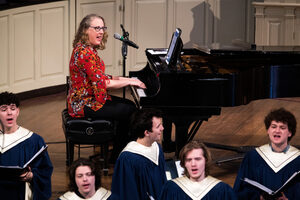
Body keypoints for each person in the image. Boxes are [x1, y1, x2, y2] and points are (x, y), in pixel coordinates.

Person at [67, 14, 146, 159]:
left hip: (88, 99)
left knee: (128, 106)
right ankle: (120, 155)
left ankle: (118, 151)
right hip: (83, 103)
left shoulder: (87, 49)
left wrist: (125, 78)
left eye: (103, 28)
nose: (101, 31)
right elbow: (103, 83)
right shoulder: (85, 53)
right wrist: (130, 82)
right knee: (129, 110)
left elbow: (100, 77)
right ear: (85, 30)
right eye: (97, 28)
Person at [233, 107, 300, 200]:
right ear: (268, 131)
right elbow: (239, 190)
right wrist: (259, 197)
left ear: (289, 133)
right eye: (273, 126)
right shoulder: (253, 157)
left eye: (282, 127)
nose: (277, 130)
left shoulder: (298, 159)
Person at [0, 91, 53, 200]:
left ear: (18, 112)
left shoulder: (34, 141)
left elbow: (45, 170)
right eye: (4, 109)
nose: (9, 113)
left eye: (13, 108)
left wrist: (32, 176)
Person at [109, 108, 167, 200]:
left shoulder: (157, 148)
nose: (162, 128)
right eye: (158, 126)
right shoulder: (128, 159)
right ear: (147, 132)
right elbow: (128, 193)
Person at [159, 140, 237, 200]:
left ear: (206, 160)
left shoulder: (222, 190)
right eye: (189, 160)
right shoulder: (171, 189)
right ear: (183, 163)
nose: (193, 164)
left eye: (198, 159)